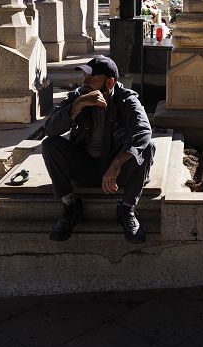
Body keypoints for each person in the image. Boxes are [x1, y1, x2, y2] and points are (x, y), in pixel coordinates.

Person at [40, 55, 154, 244]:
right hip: (87, 167)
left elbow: (143, 132)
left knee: (146, 147)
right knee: (50, 146)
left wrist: (118, 163)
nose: (85, 82)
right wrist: (77, 105)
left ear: (110, 82)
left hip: (117, 174)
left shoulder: (126, 99)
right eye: (85, 77)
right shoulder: (78, 96)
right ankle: (71, 207)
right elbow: (50, 129)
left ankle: (126, 208)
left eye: (92, 78)